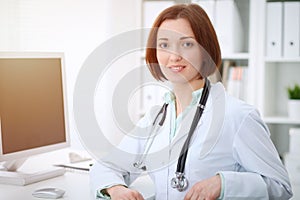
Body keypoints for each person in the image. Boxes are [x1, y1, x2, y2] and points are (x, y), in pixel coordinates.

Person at [90, 4, 292, 200]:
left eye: (187, 44)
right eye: (164, 45)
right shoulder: (156, 117)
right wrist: (116, 189)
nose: (174, 56)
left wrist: (223, 183)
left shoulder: (237, 115)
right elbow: (107, 165)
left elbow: (280, 186)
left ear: (205, 51)